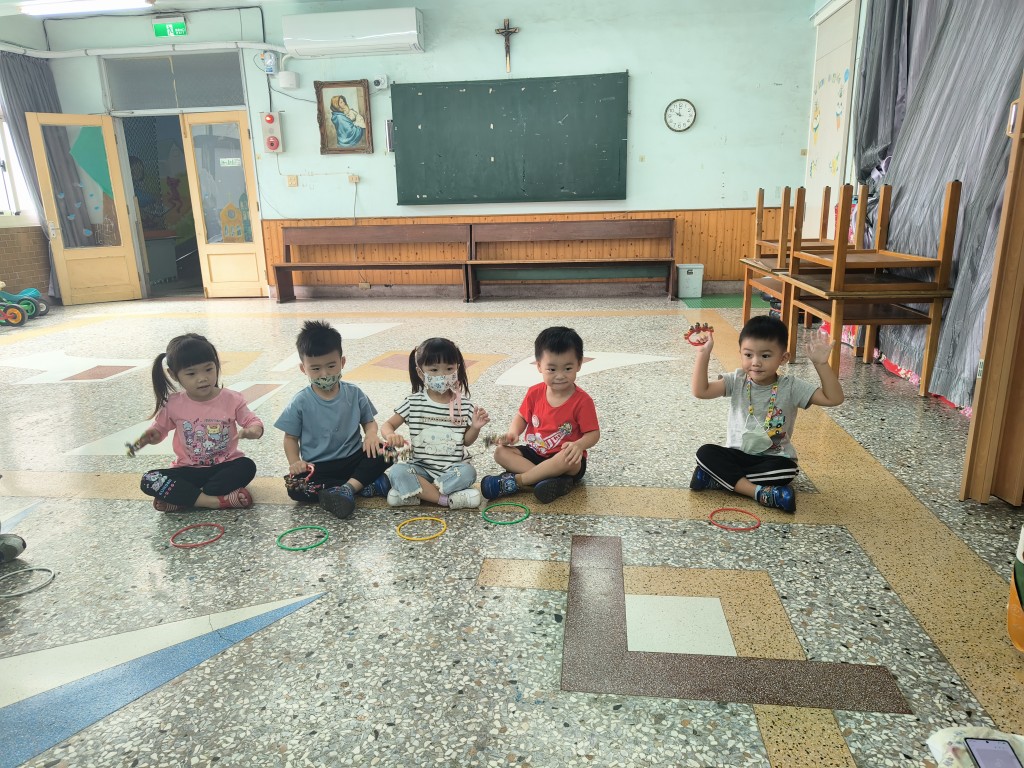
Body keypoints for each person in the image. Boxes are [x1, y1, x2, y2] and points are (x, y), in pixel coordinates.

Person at [689, 315, 844, 513]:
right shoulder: (737, 380)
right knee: (705, 453)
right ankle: (760, 493)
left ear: (783, 358)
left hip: (772, 459)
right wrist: (703, 354)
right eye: (748, 355)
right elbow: (701, 391)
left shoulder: (791, 386)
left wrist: (822, 365)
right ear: (740, 353)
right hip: (737, 455)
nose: (755, 362)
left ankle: (718, 478)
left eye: (765, 356)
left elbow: (833, 398)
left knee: (787, 470)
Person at [275, 320, 389, 520]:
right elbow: (290, 438)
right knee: (296, 488)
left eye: (331, 366)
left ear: (342, 362)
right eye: (315, 368)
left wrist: (371, 435)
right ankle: (360, 485)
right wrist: (295, 462)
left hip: (353, 457)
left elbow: (369, 421)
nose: (325, 374)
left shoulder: (354, 393)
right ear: (303, 368)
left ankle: (345, 489)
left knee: (387, 452)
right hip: (319, 466)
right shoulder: (300, 401)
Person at [135, 334, 262, 512]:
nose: (202, 378)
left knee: (247, 466)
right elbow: (159, 430)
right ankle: (216, 501)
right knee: (149, 479)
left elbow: (252, 420)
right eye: (191, 373)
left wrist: (253, 430)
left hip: (224, 466)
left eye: (208, 369)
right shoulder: (173, 403)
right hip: (188, 470)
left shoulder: (232, 399)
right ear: (173, 375)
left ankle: (185, 499)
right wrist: (150, 436)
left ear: (216, 365)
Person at [481, 327, 600, 504]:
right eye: (551, 369)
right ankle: (549, 480)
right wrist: (513, 433)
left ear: (579, 364)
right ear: (539, 366)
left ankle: (519, 481)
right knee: (500, 452)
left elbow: (593, 433)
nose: (560, 376)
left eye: (568, 368)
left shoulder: (582, 401)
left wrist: (578, 445)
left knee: (570, 460)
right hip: (536, 452)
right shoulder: (534, 392)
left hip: (564, 458)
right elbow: (521, 416)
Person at [380, 338, 486, 510]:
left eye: (449, 369)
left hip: (452, 471)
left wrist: (475, 427)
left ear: (457, 368)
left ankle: (416, 493)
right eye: (434, 370)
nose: (442, 376)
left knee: (469, 472)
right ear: (421, 373)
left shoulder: (465, 405)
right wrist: (391, 435)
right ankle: (446, 499)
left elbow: (466, 441)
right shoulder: (413, 402)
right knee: (397, 471)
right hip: (420, 469)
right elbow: (387, 425)